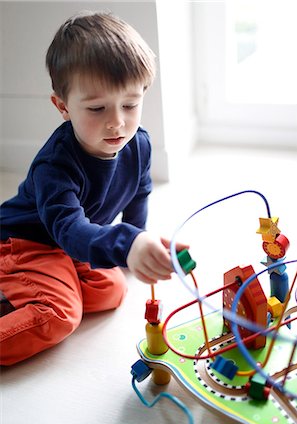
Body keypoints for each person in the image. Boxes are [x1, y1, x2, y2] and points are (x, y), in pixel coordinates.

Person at [0, 11, 186, 365]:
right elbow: (69, 230)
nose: (117, 122)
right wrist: (124, 242)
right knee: (60, 314)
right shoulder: (54, 166)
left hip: (70, 245)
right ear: (63, 107)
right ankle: (17, 280)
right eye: (97, 108)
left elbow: (140, 191)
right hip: (25, 241)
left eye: (130, 104)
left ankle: (27, 290)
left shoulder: (139, 143)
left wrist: (138, 240)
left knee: (111, 290)